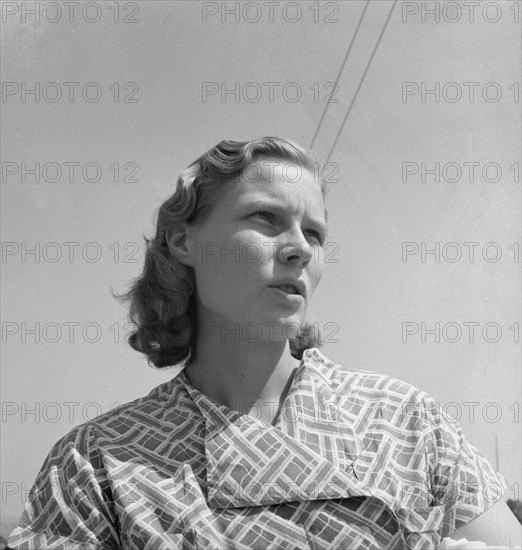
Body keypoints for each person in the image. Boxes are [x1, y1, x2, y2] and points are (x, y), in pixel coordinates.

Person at [6, 137, 521, 549]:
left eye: (315, 234)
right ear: (186, 242)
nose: (300, 248)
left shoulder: (408, 420)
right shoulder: (94, 462)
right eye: (265, 218)